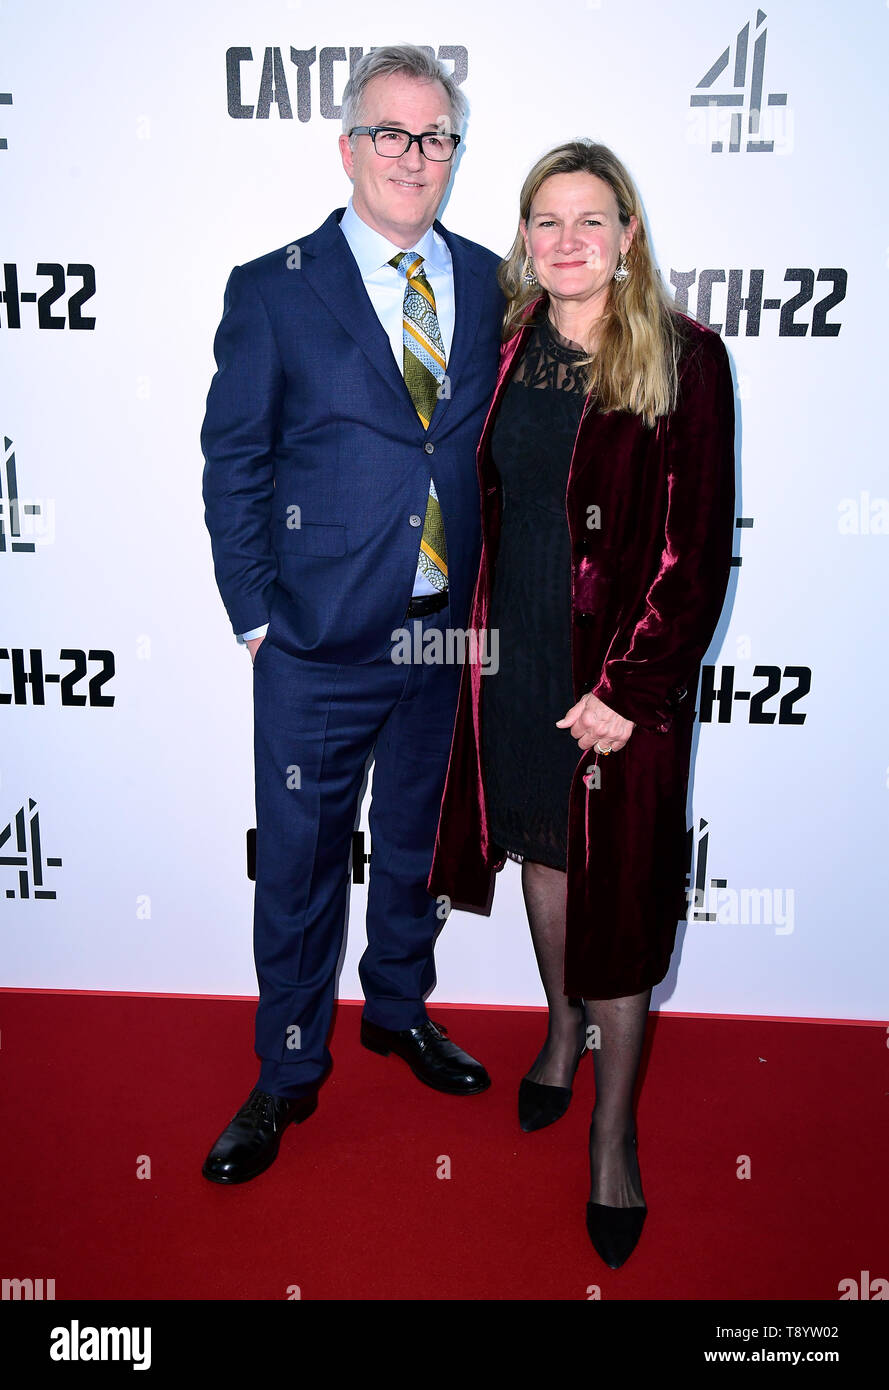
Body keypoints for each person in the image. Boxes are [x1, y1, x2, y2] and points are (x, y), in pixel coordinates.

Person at [427, 140, 736, 1266]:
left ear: (627, 234)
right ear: (524, 237)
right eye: (544, 221)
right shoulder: (502, 352)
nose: (566, 241)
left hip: (620, 678)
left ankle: (613, 1135)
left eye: (589, 220)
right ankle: (561, 1029)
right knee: (545, 855)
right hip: (513, 659)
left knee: (621, 883)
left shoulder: (686, 361)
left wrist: (633, 688)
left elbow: (695, 551)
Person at [200, 45, 504, 1184]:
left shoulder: (486, 281)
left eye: (435, 137)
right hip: (316, 639)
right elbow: (232, 459)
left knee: (416, 848)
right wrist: (257, 618)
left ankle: (396, 1010)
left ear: (452, 153)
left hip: (442, 630)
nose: (412, 156)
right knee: (298, 864)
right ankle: (285, 1074)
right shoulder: (274, 286)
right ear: (347, 146)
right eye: (390, 133)